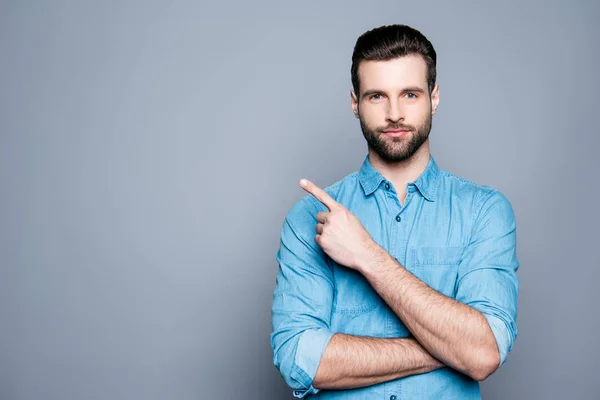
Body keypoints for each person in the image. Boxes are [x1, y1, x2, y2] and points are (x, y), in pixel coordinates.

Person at [270, 24, 519, 399]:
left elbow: (483, 353)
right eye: (376, 97)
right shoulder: (309, 217)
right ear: (354, 102)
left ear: (434, 98)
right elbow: (300, 359)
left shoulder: (484, 212)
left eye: (410, 94)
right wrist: (448, 348)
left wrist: (366, 254)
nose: (395, 114)